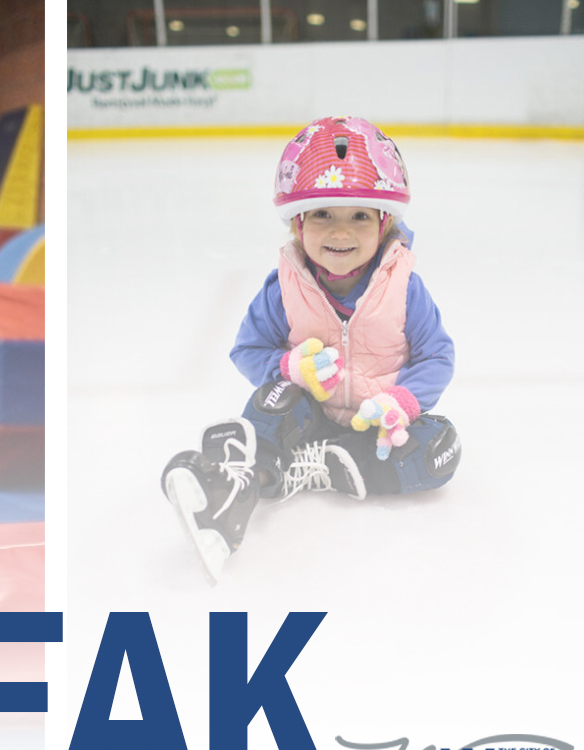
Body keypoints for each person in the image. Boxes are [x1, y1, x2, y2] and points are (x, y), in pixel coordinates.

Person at [162, 116, 461, 584]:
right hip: (308, 414)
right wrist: (289, 367)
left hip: (375, 426)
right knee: (273, 399)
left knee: (441, 447)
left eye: (359, 215)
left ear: (384, 224)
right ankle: (240, 485)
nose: (339, 231)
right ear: (298, 223)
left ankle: (327, 465)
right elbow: (247, 349)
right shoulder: (284, 288)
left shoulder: (404, 287)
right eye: (322, 214)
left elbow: (437, 356)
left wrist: (401, 402)